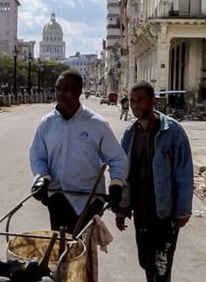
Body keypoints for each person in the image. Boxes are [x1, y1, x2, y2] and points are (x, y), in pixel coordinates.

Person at [117, 81, 194, 282]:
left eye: (140, 100)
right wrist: (121, 208)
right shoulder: (130, 133)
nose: (136, 104)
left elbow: (184, 173)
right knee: (146, 261)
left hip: (166, 211)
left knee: (162, 263)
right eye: (132, 100)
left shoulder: (173, 131)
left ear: (153, 102)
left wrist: (183, 210)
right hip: (141, 211)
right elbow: (123, 174)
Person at [29, 70, 130, 232]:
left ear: (78, 92)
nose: (61, 93)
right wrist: (42, 178)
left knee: (83, 252)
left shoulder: (97, 124)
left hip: (89, 201)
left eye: (68, 89)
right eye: (58, 88)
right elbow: (37, 156)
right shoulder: (46, 123)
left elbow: (117, 159)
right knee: (60, 250)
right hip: (57, 198)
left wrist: (117, 183)